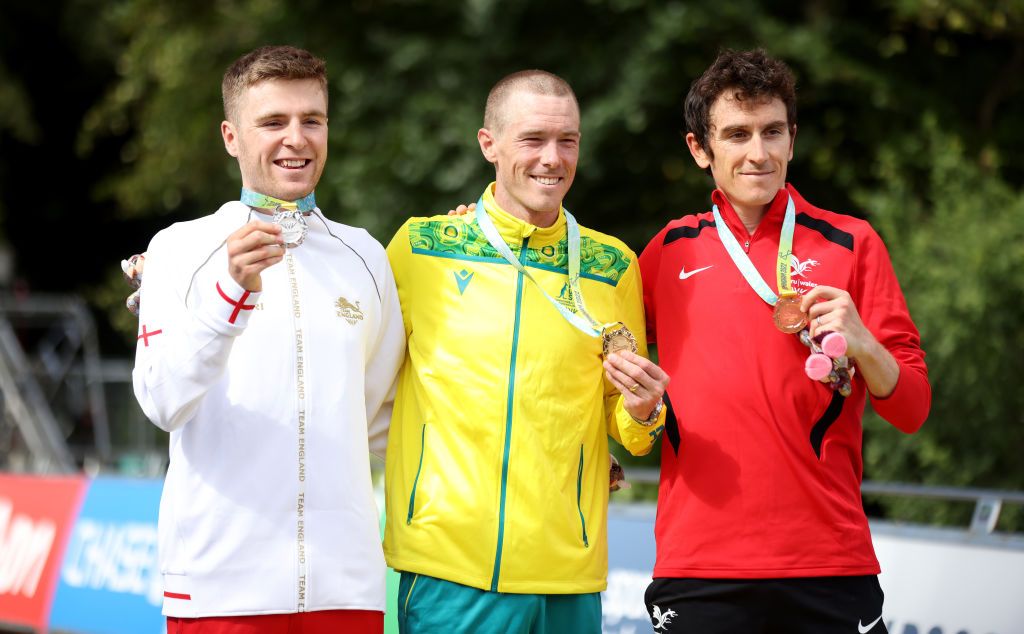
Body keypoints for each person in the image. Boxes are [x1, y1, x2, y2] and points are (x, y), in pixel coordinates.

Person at [638, 48, 931, 633]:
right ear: (700, 149)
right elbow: (591, 352)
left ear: (792, 140)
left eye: (773, 132)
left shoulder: (852, 243)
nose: (758, 153)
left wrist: (865, 344)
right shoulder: (665, 253)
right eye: (737, 134)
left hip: (828, 562)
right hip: (699, 568)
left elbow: (912, 409)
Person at [382, 70, 670, 633]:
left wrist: (643, 410)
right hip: (448, 567)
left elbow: (627, 426)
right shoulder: (422, 248)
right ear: (489, 144)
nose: (552, 158)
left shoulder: (613, 266)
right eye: (532, 139)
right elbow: (365, 377)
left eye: (568, 141)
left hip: (569, 570)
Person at [131, 45, 404, 633]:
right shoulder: (178, 249)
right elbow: (162, 400)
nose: (296, 139)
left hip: (347, 589)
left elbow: (386, 421)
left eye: (312, 120)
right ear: (231, 136)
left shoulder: (366, 256)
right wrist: (230, 294)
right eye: (273, 122)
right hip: (221, 593)